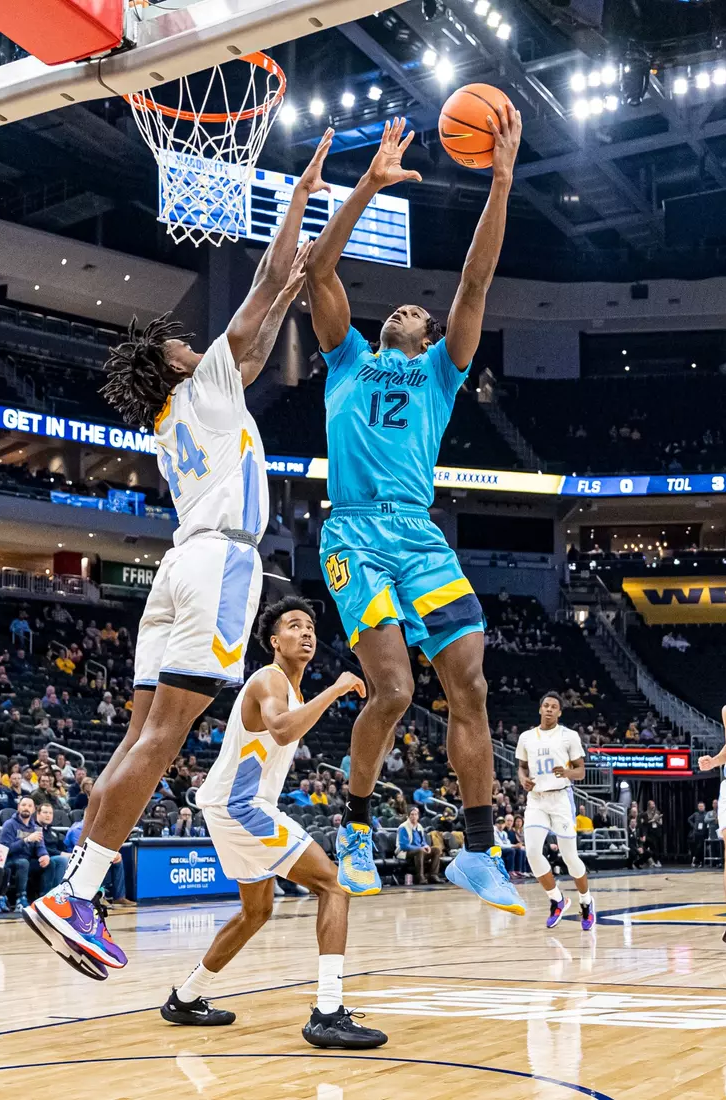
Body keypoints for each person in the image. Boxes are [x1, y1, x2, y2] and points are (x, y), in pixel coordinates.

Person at [24, 134, 336, 972]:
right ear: (174, 368)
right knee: (161, 741)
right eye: (183, 348)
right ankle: (77, 894)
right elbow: (265, 289)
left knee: (136, 742)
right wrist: (299, 197)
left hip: (175, 567)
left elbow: (267, 322)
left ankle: (73, 887)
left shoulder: (177, 416)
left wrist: (292, 285)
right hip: (219, 565)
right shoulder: (199, 388)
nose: (196, 347)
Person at [304, 112, 524, 914]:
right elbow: (317, 271)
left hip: (419, 534)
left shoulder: (439, 370)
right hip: (354, 528)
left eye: (412, 311)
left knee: (469, 687)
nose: (400, 307)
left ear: (427, 333)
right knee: (391, 690)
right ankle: (356, 828)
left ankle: (476, 850)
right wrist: (366, 185)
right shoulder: (346, 359)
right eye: (391, 307)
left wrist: (499, 182)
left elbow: (474, 279)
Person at [154, 597, 385, 1049]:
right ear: (274, 641)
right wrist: (336, 689)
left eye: (310, 626)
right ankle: (328, 1012)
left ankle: (186, 998)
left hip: (229, 807)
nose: (306, 632)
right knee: (334, 886)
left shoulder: (289, 688)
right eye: (294, 626)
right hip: (243, 807)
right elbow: (281, 729)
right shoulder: (269, 679)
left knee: (257, 911)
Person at [516, 693, 595, 931]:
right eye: (546, 706)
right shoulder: (526, 737)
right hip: (537, 799)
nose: (549, 710)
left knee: (570, 857)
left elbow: (581, 771)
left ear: (560, 712)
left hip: (561, 797)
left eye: (554, 707)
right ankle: (557, 899)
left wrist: (567, 772)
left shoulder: (569, 736)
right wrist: (523, 780)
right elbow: (521, 767)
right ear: (540, 709)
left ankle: (586, 901)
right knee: (531, 852)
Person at [0, 797, 51, 910]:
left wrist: (44, 855)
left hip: (27, 861)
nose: (26, 808)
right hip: (10, 860)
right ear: (18, 808)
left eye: (29, 806)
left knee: (56, 861)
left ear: (33, 810)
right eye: (23, 805)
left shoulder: (36, 828)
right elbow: (5, 849)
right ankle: (20, 898)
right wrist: (26, 840)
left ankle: (47, 897)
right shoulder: (9, 824)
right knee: (23, 863)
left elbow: (41, 847)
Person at [397, 806, 442, 885]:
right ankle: (420, 877)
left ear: (418, 816)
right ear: (408, 816)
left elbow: (423, 842)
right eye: (412, 814)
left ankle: (433, 875)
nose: (414, 816)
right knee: (420, 851)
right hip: (405, 852)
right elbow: (403, 845)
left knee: (436, 849)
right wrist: (420, 848)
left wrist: (426, 846)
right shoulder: (403, 827)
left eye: (415, 814)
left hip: (419, 850)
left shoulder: (419, 826)